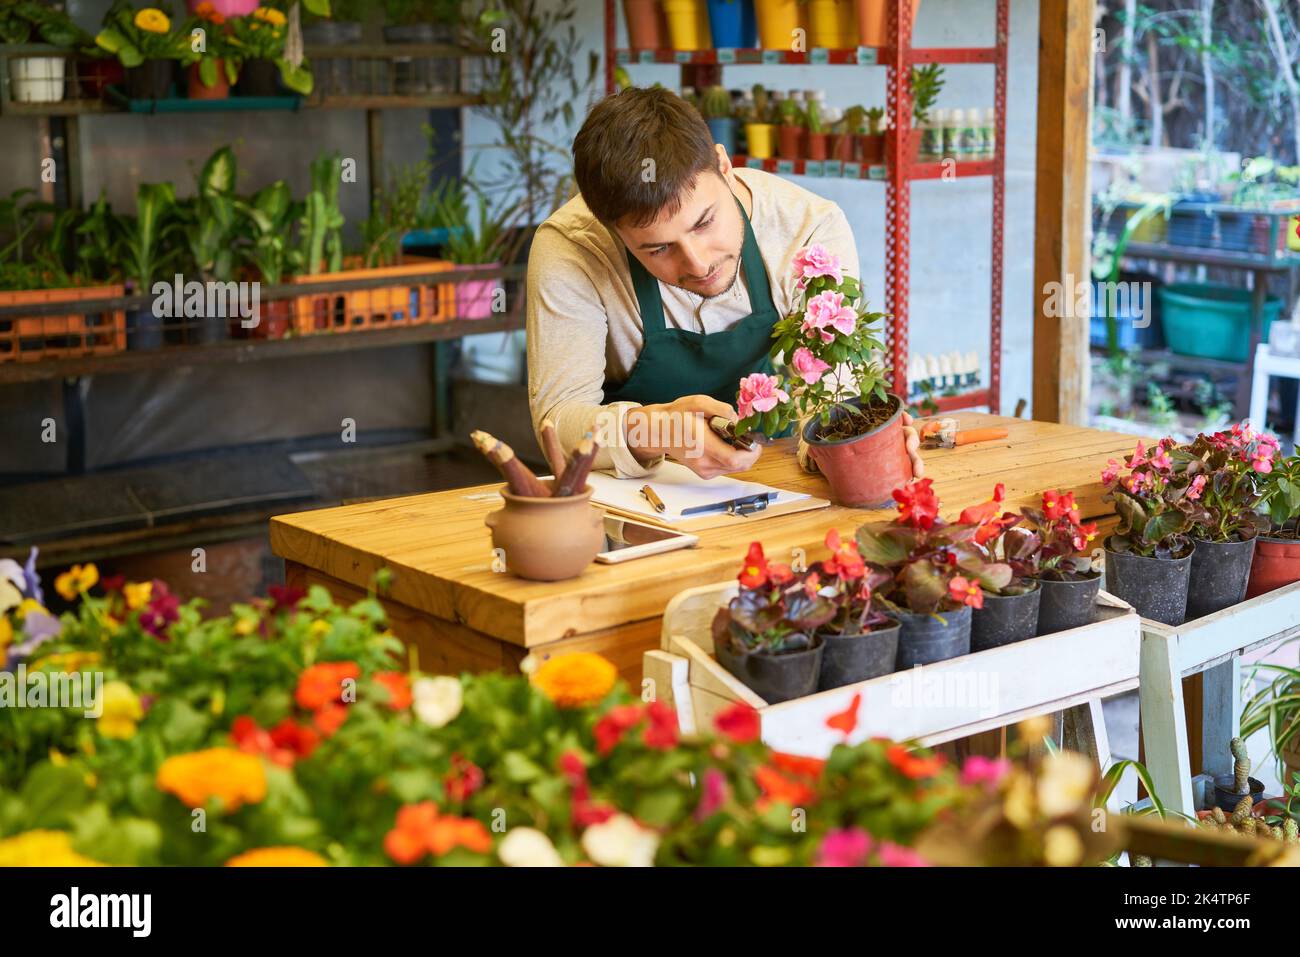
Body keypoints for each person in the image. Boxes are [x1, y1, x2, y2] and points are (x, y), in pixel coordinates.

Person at [526, 86, 921, 481]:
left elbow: (836, 384)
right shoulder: (573, 249)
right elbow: (557, 424)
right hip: (639, 492)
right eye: (659, 248)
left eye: (704, 223)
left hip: (775, 468)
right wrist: (654, 429)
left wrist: (859, 443)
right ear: (611, 228)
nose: (698, 263)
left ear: (723, 165)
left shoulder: (806, 227)